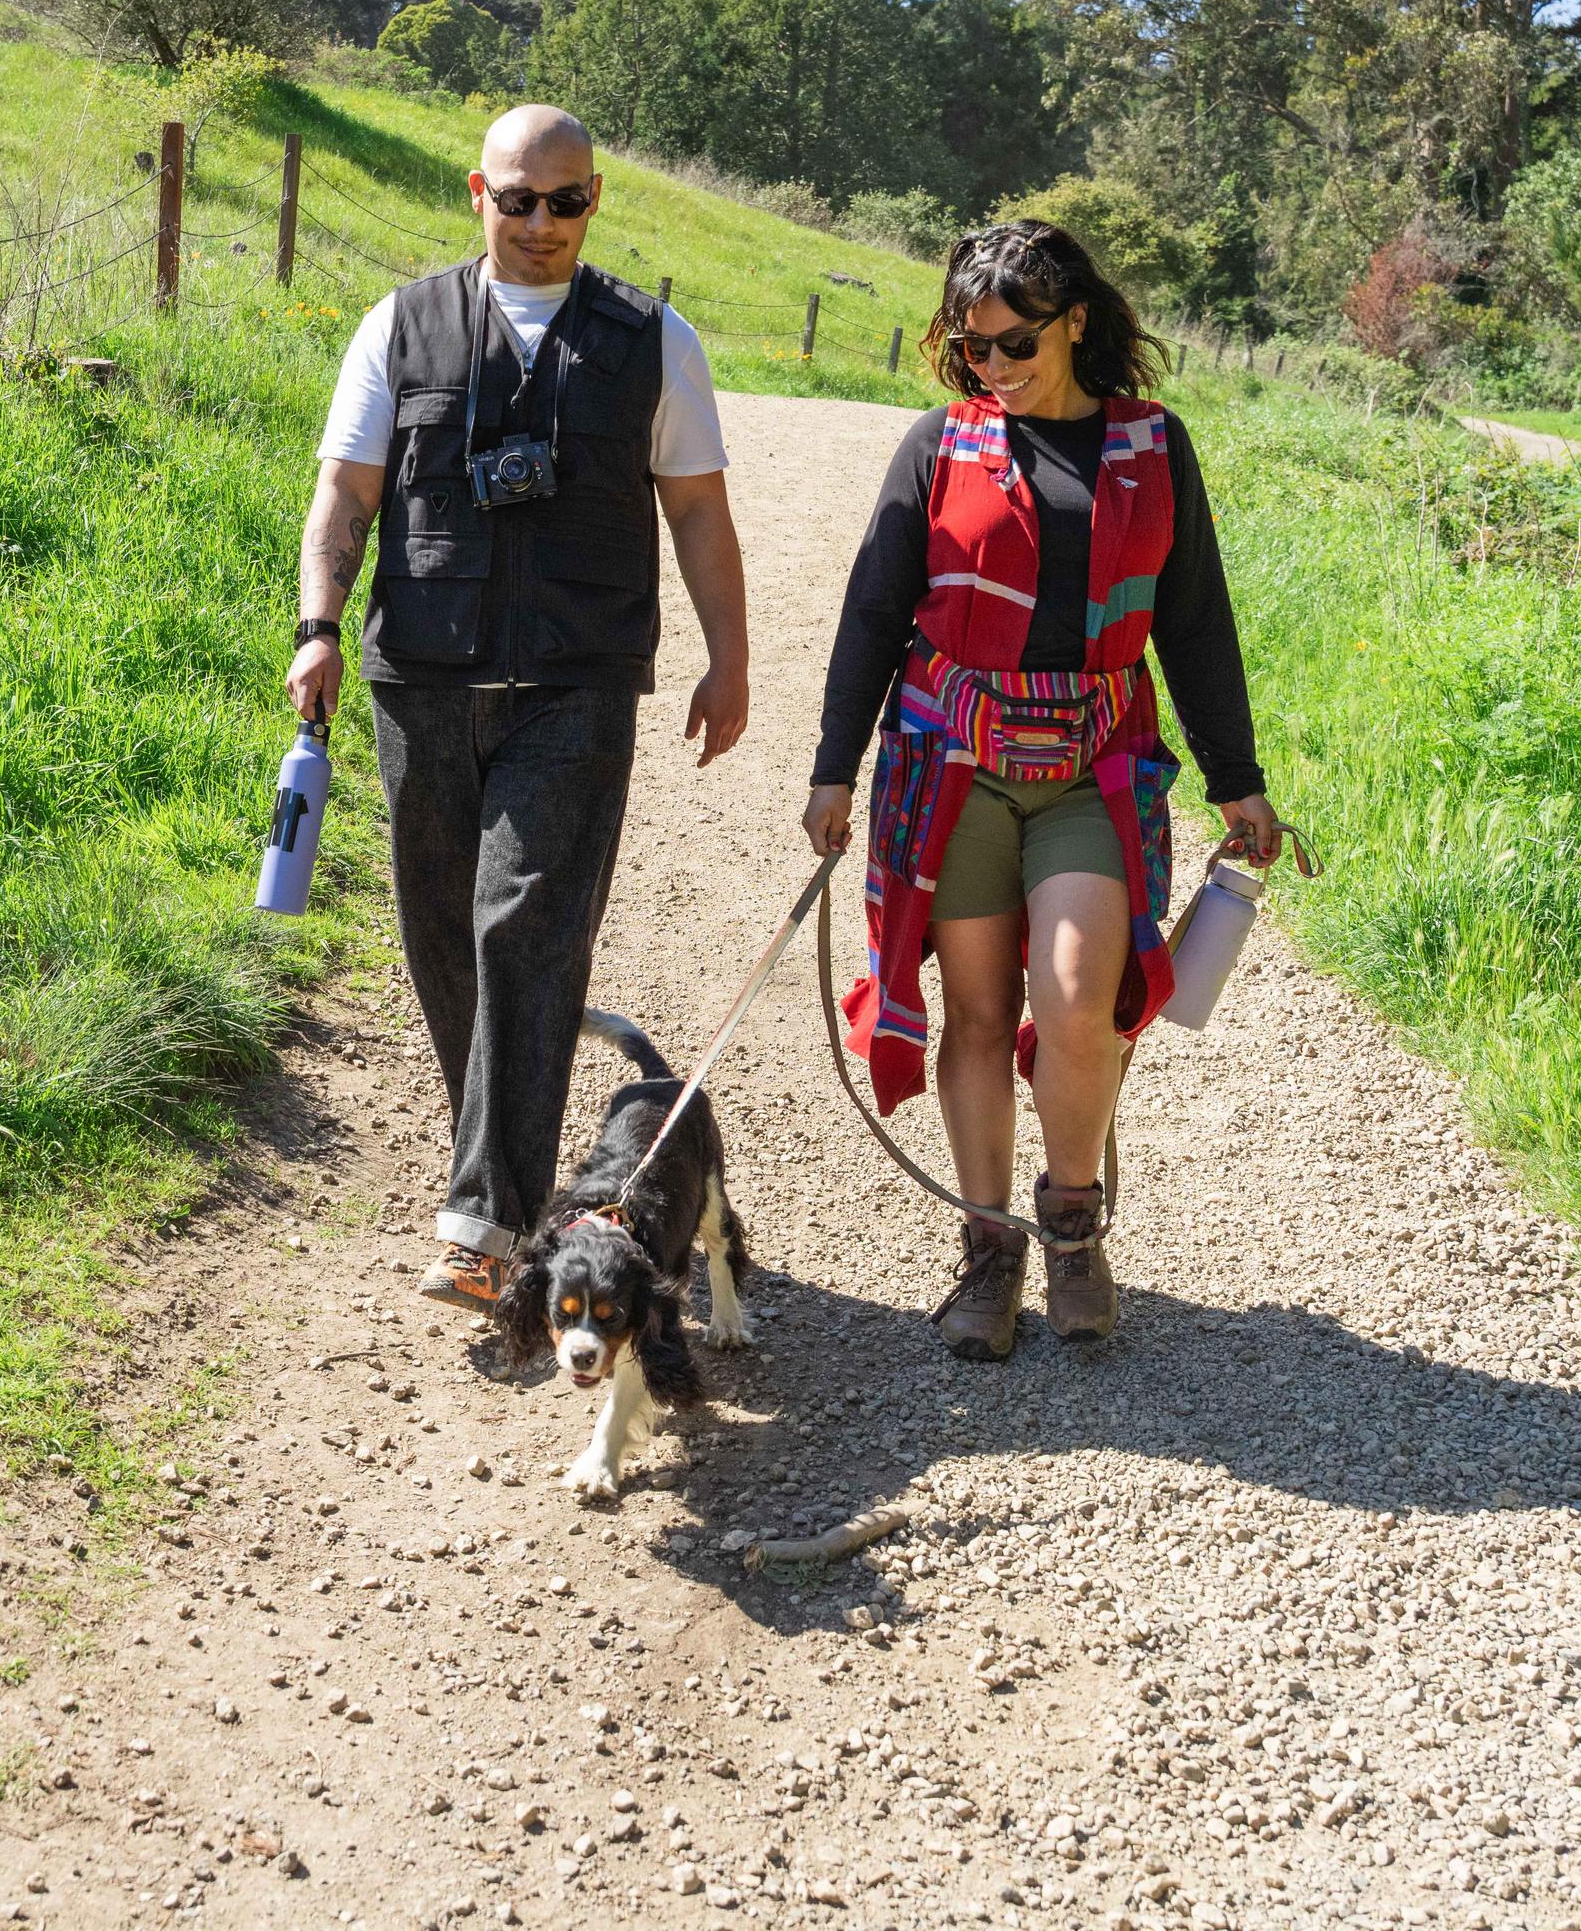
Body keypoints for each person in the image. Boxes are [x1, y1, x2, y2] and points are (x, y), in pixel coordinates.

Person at [288, 104, 752, 1316]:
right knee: (444, 934)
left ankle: (486, 1222)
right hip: (421, 678)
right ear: (476, 196)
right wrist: (319, 627)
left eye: (567, 200)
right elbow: (345, 491)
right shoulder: (400, 325)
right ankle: (505, 1169)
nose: (541, 222)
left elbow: (698, 511)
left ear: (596, 200)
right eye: (517, 199)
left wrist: (730, 656)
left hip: (577, 684)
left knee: (526, 925)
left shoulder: (656, 342)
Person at [802, 220, 1280, 1361]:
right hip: (952, 764)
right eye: (973, 349)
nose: (995, 366)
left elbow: (1194, 620)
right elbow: (875, 608)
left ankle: (1072, 1227)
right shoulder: (938, 446)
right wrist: (833, 763)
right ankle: (988, 1246)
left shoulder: (1154, 449)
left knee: (1075, 996)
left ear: (1074, 319)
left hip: (1092, 769)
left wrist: (1240, 782)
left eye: (1015, 340)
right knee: (973, 1011)